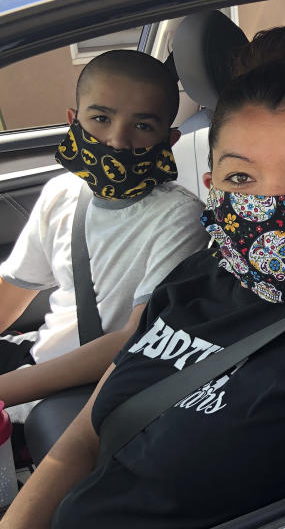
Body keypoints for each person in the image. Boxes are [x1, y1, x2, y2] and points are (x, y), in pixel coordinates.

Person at [1, 27, 285, 529]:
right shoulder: (196, 276)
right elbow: (80, 441)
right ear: (211, 188)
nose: (270, 205)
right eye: (240, 178)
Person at [0, 50, 208, 414]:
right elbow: (13, 290)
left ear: (169, 140)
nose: (117, 141)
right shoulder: (61, 194)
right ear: (73, 120)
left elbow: (132, 337)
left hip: (88, 385)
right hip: (39, 356)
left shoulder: (179, 216)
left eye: (142, 126)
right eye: (100, 118)